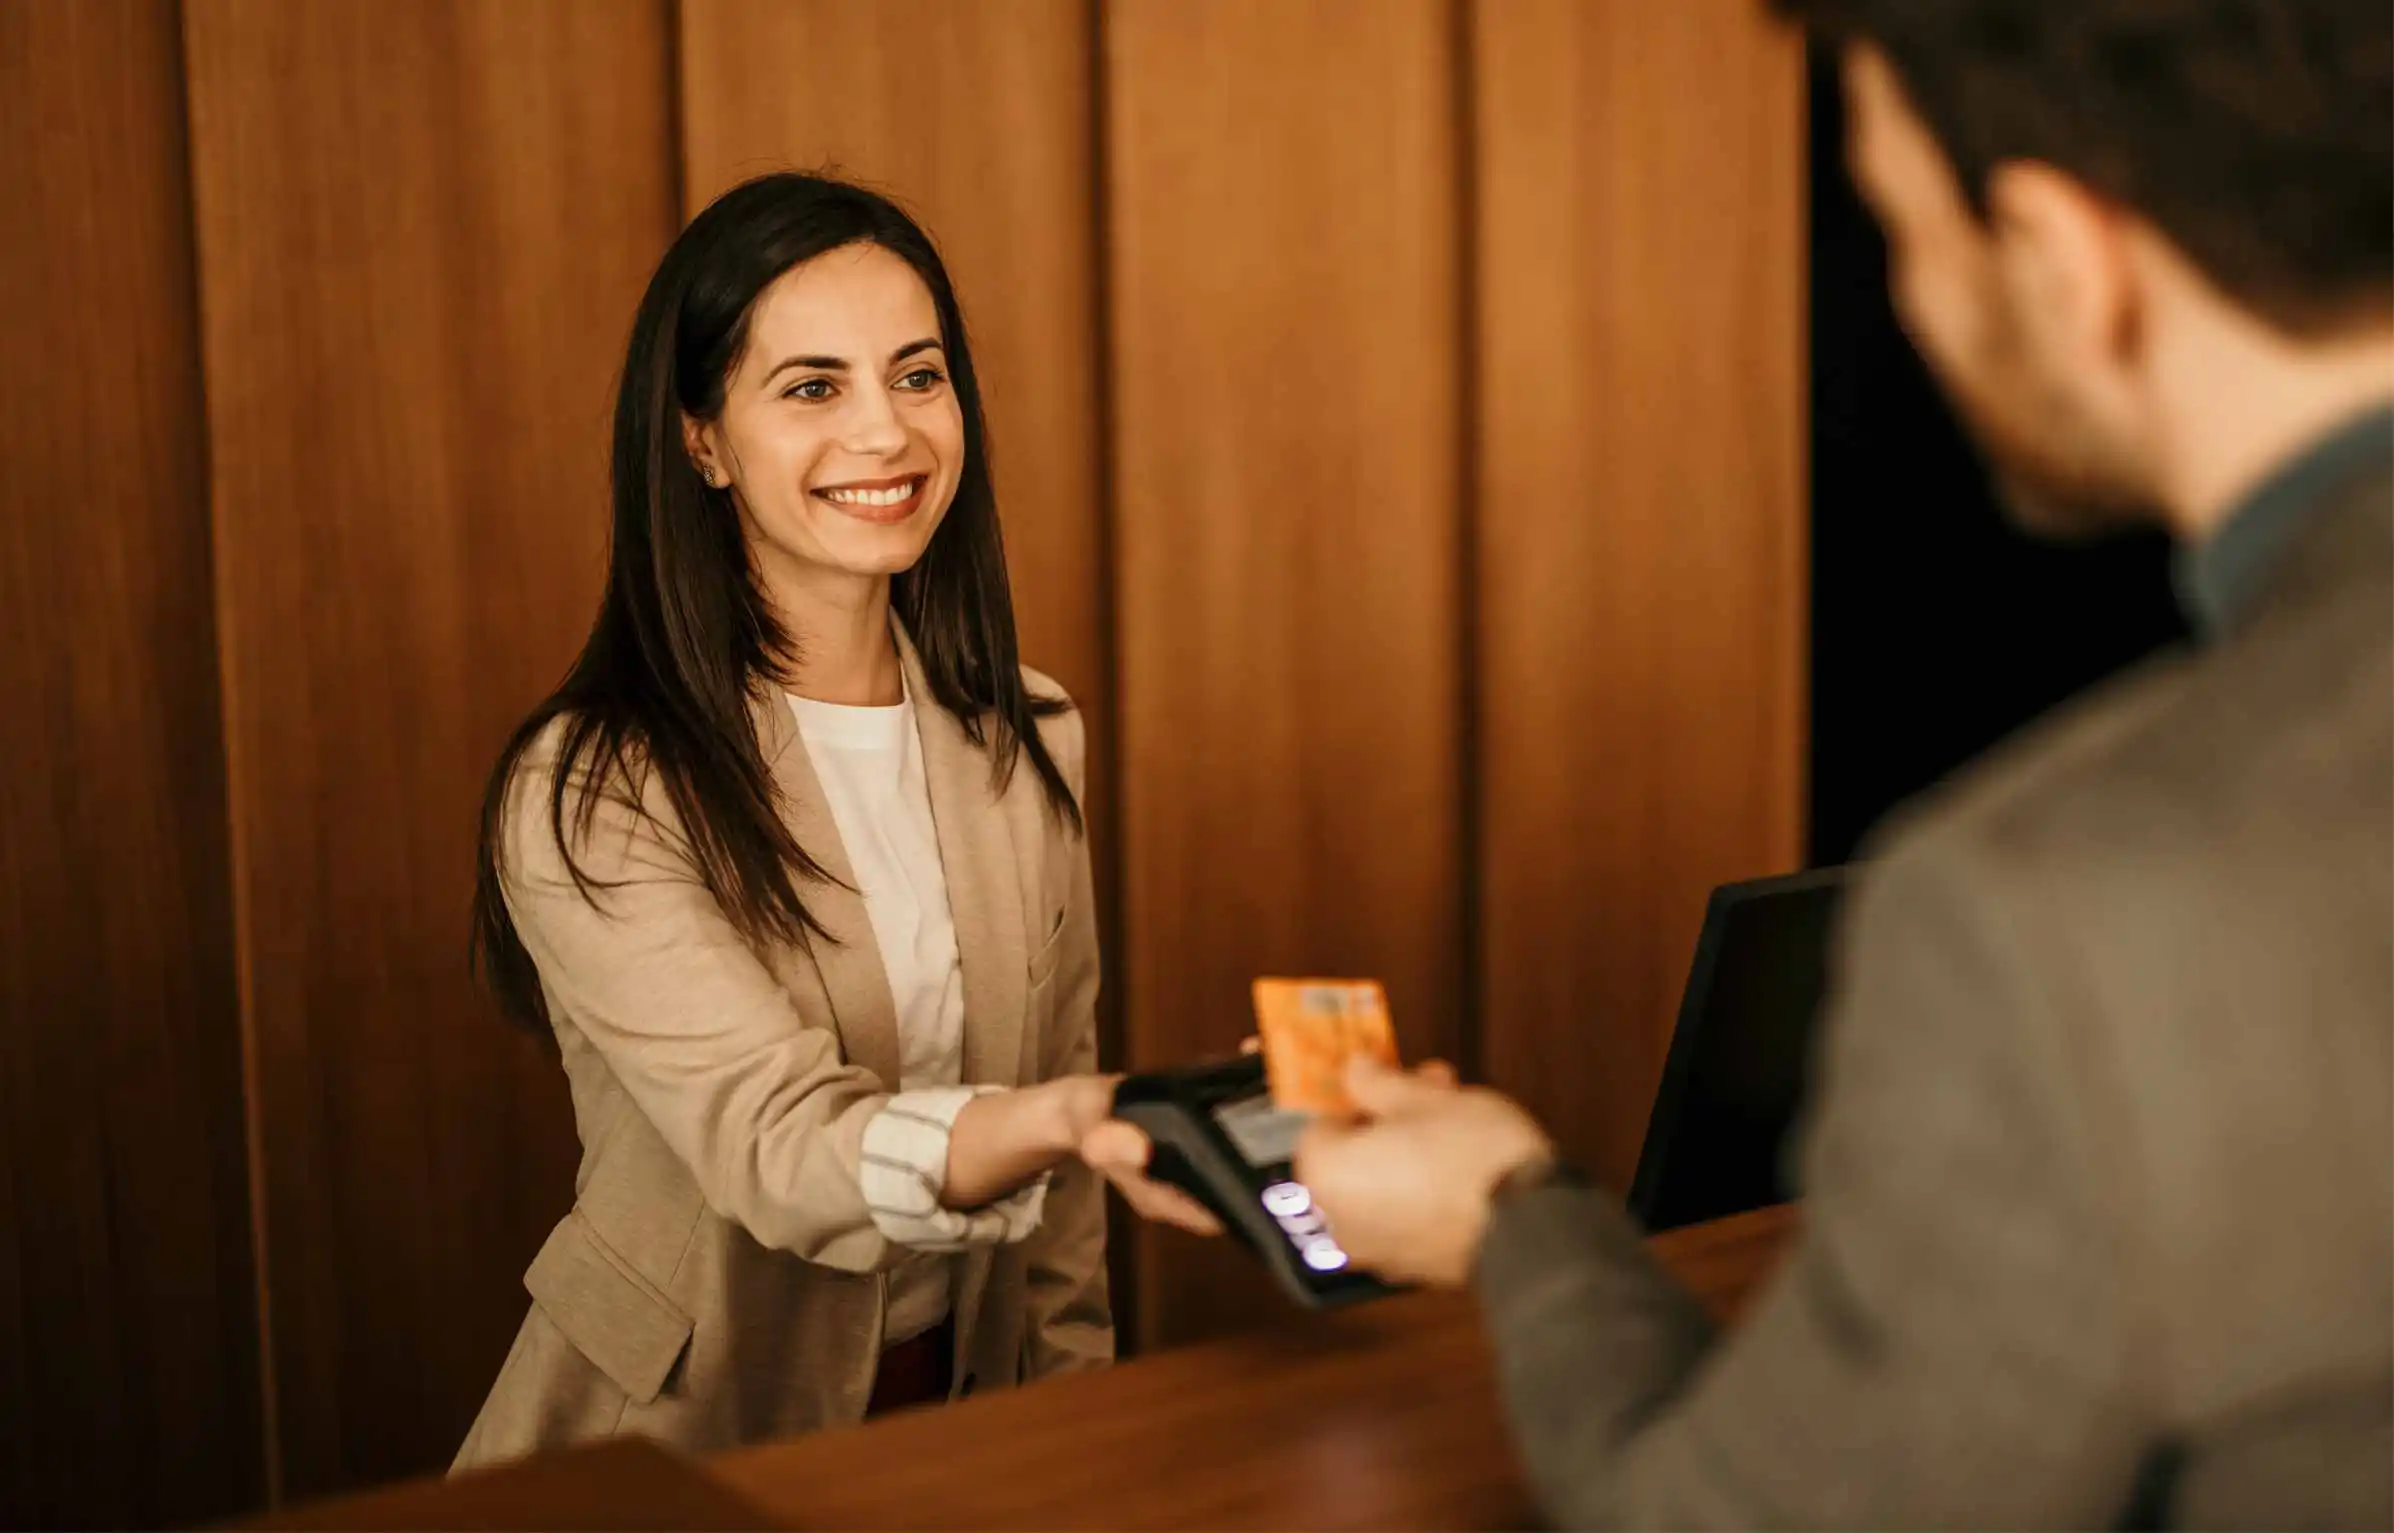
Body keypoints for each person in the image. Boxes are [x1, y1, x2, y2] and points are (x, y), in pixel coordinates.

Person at [1280, 1, 2392, 1525]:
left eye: (1899, 228)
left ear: (2067, 262)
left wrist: (1509, 1219)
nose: (1912, 299)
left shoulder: (2050, 912)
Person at [455, 172, 1205, 1467]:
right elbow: (777, 1150)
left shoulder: (1022, 733)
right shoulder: (593, 787)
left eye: (917, 376)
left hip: (958, 1419)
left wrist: (1080, 1426)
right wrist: (1068, 1115)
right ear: (701, 439)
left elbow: (1062, 1223)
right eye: (812, 388)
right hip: (669, 1441)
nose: (886, 434)